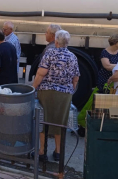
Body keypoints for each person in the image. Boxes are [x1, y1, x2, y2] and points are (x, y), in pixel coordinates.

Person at [33, 30, 80, 162]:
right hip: (64, 94)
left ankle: (42, 151)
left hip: (47, 91)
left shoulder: (50, 53)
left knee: (43, 120)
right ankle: (58, 152)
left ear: (56, 41)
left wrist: (33, 88)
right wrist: (71, 90)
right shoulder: (72, 56)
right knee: (60, 122)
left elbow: (41, 73)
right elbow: (75, 78)